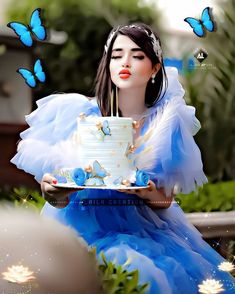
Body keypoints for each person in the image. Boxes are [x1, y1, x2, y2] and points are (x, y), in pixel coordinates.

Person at [11, 23, 235, 293]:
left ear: (154, 68)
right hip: (78, 228)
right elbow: (57, 199)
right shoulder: (77, 115)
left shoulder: (164, 125)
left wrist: (148, 193)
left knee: (144, 271)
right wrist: (53, 191)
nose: (125, 62)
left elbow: (165, 200)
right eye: (116, 55)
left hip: (142, 232)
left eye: (137, 55)